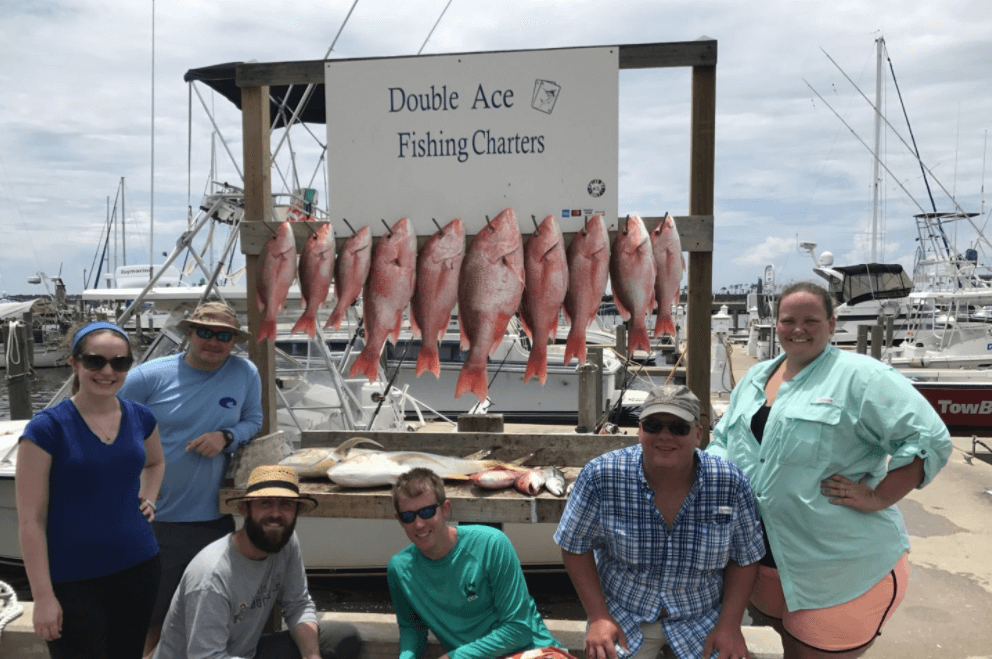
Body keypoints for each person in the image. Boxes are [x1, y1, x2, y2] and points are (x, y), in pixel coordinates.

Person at [707, 281, 953, 659]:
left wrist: (877, 497)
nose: (798, 329)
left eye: (811, 320)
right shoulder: (756, 378)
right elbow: (723, 439)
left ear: (832, 323)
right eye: (789, 320)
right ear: (776, 325)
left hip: (838, 571)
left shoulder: (862, 376)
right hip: (764, 569)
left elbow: (928, 438)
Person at [555, 384, 765, 659]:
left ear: (699, 435)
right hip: (623, 614)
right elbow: (574, 544)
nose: (664, 436)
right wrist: (597, 616)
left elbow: (746, 556)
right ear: (640, 431)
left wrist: (729, 624)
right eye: (653, 426)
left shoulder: (731, 482)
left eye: (679, 428)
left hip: (701, 617)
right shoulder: (600, 474)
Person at [117, 300, 264, 656]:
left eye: (224, 336)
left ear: (234, 341)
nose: (214, 341)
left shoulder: (246, 373)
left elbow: (254, 419)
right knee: (151, 618)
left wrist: (226, 437)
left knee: (211, 613)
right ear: (190, 333)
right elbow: (109, 420)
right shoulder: (148, 376)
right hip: (157, 519)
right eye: (205, 332)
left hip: (214, 520)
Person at [16, 320, 165, 658]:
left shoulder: (141, 416)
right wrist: (42, 597)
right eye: (95, 361)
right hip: (72, 581)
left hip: (139, 567)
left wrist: (151, 497)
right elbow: (30, 521)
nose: (107, 371)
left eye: (120, 362)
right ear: (75, 363)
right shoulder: (47, 429)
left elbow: (156, 463)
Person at [153, 464, 362, 659]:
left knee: (343, 636)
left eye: (286, 504)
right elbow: (207, 656)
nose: (275, 514)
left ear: (296, 511)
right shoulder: (212, 576)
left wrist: (311, 655)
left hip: (244, 652)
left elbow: (297, 604)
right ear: (245, 509)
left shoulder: (285, 541)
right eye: (265, 503)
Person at [387, 467, 567, 659]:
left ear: (445, 509)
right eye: (408, 516)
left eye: (427, 512)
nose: (419, 524)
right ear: (399, 519)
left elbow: (518, 630)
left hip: (533, 652)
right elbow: (411, 628)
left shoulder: (492, 543)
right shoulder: (398, 568)